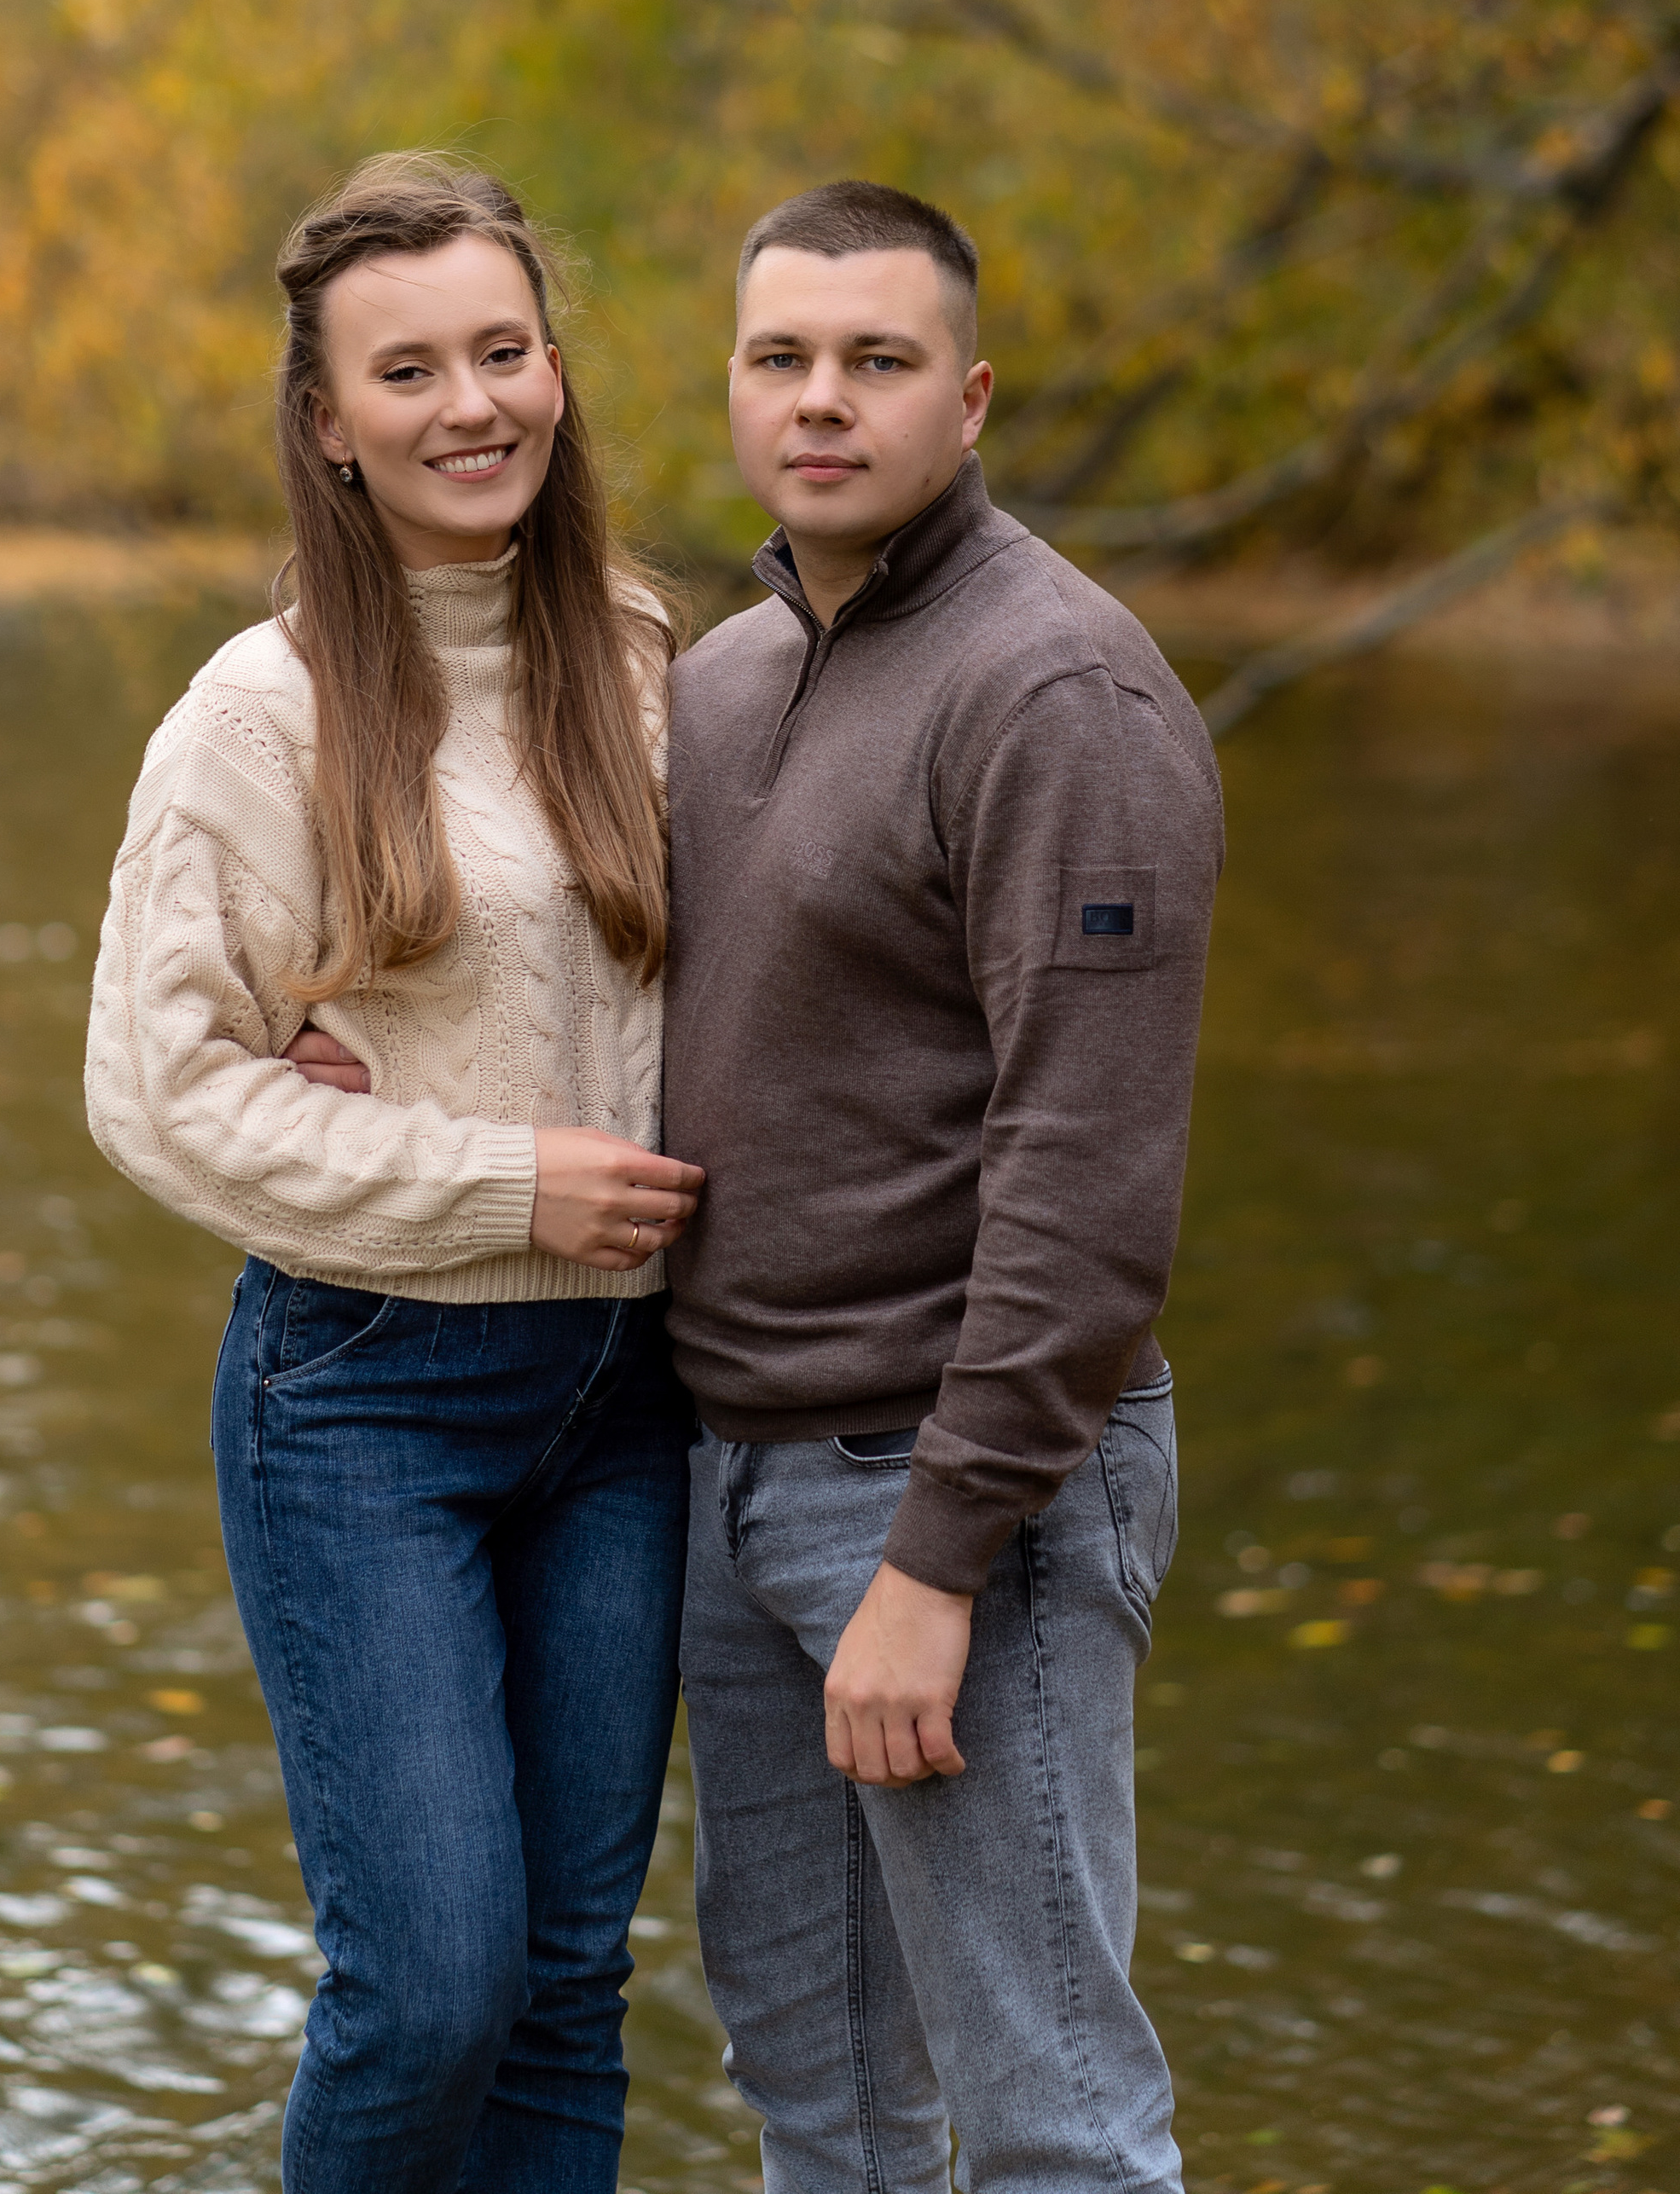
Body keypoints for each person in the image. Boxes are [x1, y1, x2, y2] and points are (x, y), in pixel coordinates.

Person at [84, 153, 703, 2194]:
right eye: (408, 370)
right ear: (327, 425)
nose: (469, 406)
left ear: (555, 371)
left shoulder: (640, 661)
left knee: (559, 1982)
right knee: (426, 1984)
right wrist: (482, 1175)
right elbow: (157, 1091)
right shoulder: (256, 723)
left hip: (626, 1406)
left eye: (502, 352)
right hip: (366, 1401)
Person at [662, 177, 1224, 2193]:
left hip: (955, 1491)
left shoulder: (1054, 694)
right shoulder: (718, 679)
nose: (823, 400)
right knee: (820, 2108)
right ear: (731, 385)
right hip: (727, 1480)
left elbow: (1084, 1180)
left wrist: (934, 1560)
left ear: (966, 397)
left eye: (875, 361)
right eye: (781, 358)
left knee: (1053, 2123)